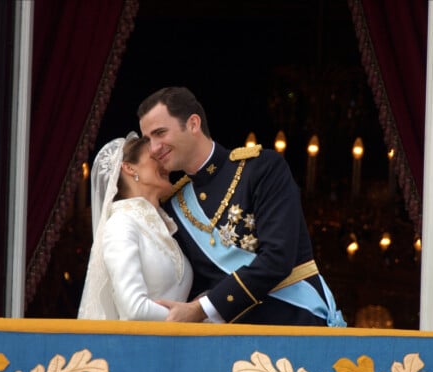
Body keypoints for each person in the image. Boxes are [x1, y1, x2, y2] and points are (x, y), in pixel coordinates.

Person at [138, 86, 345, 326]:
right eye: (148, 140)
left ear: (193, 124)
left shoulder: (262, 169)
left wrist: (200, 309)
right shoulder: (174, 206)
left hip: (297, 327)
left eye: (160, 133)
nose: (153, 149)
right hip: (230, 345)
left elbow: (278, 258)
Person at [78, 132, 193, 320]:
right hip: (139, 347)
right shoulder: (121, 224)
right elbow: (134, 309)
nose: (165, 163)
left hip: (174, 345)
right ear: (130, 168)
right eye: (155, 157)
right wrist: (193, 317)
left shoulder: (164, 228)